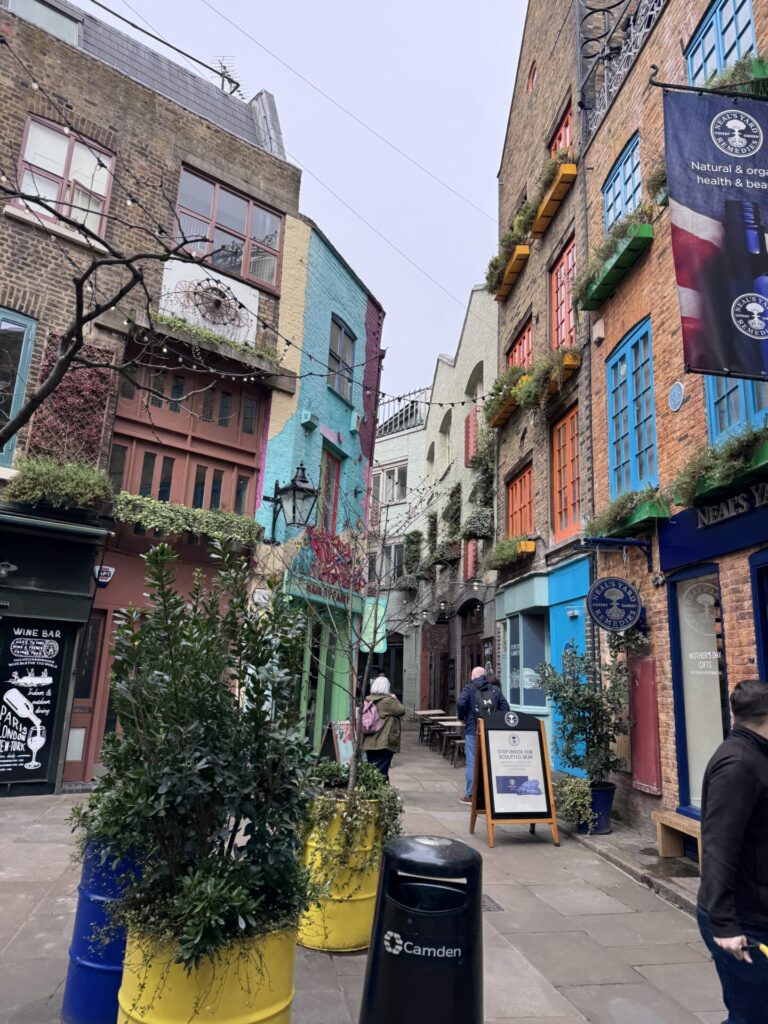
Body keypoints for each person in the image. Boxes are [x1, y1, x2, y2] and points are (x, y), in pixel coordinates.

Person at [697, 679, 768, 1024]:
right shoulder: (739, 764)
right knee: (751, 1016)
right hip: (745, 920)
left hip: (756, 910)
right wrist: (725, 925)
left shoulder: (755, 754)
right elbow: (719, 847)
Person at [457, 666, 509, 805]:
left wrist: (462, 717)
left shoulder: (469, 688)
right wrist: (496, 722)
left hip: (473, 730)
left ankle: (470, 795)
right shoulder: (495, 690)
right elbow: (506, 708)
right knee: (492, 761)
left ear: (473, 676)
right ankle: (494, 793)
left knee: (472, 762)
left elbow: (461, 703)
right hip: (491, 731)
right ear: (484, 676)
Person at [362, 675, 405, 780]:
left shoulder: (368, 700)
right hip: (383, 742)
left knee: (373, 770)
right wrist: (394, 698)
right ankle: (379, 790)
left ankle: (381, 789)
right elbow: (402, 710)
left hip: (369, 742)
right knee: (380, 773)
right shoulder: (388, 701)